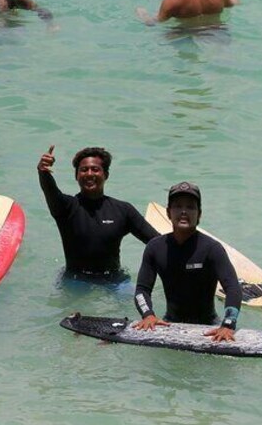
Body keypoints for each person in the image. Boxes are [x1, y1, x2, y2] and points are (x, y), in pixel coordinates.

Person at [133, 182, 243, 342]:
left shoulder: (212, 248)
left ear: (199, 214)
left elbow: (233, 288)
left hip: (209, 326)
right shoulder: (155, 248)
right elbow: (142, 290)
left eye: (191, 207)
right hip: (170, 324)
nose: (184, 212)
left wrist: (228, 324)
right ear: (168, 213)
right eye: (177, 206)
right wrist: (148, 315)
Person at [38, 146, 159, 282]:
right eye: (84, 170)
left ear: (105, 175)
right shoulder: (65, 208)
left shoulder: (123, 210)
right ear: (76, 176)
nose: (89, 174)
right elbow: (49, 190)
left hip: (114, 279)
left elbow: (156, 242)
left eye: (95, 169)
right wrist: (43, 171)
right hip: (76, 279)